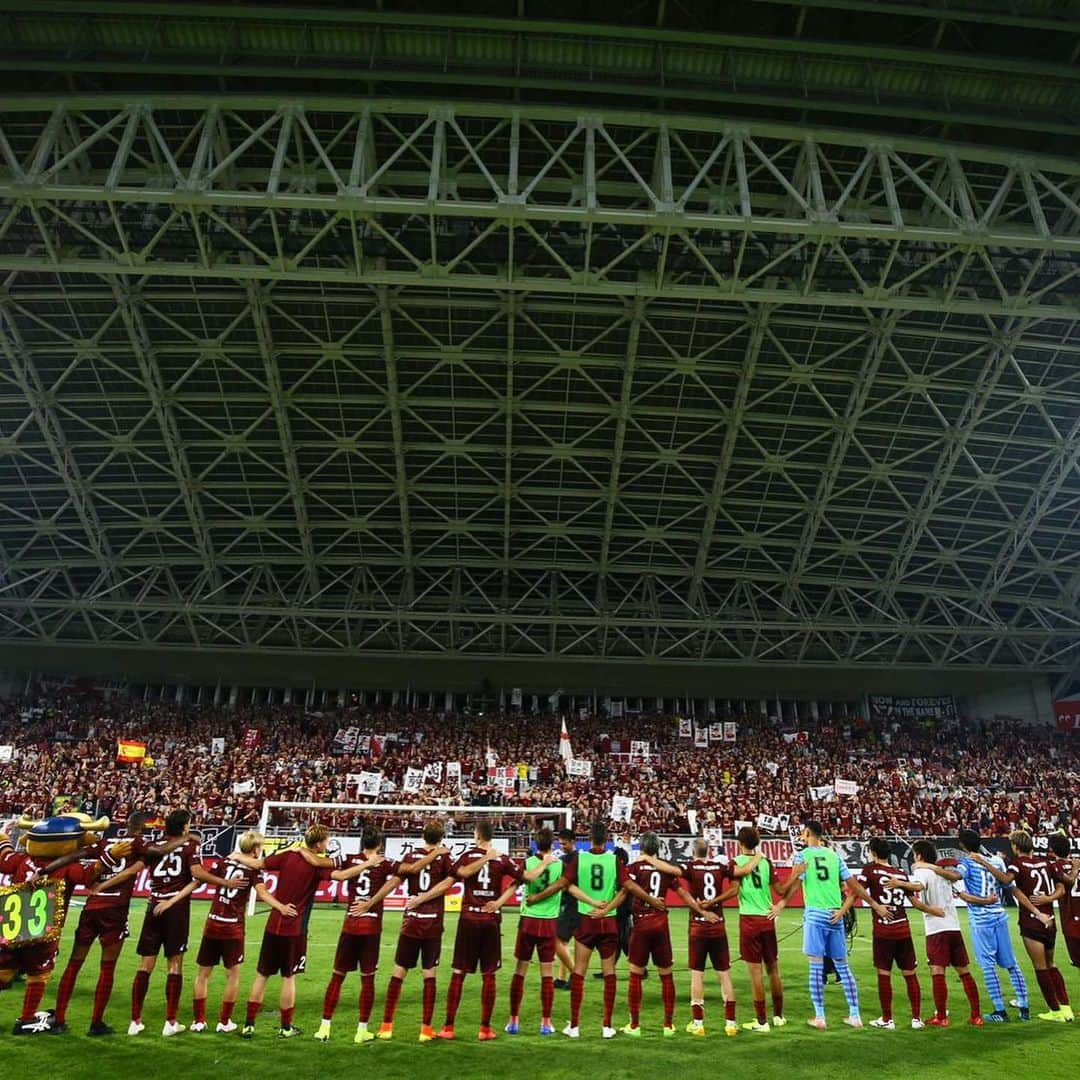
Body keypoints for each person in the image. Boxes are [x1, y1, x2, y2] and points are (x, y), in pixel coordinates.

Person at [129, 809, 237, 1038]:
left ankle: (135, 1020)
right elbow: (198, 873)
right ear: (185, 826)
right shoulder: (190, 846)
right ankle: (170, 1021)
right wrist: (225, 882)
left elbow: (139, 867)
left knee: (145, 964)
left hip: (153, 905)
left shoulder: (155, 844)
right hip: (176, 909)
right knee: (175, 964)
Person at [776, 819, 888, 1030]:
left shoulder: (802, 856)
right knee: (843, 967)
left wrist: (781, 903)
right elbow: (853, 885)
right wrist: (873, 903)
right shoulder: (834, 856)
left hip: (815, 915)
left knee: (816, 966)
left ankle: (820, 1016)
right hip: (835, 915)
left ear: (808, 833)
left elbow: (795, 885)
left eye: (803, 833)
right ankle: (855, 1015)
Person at [0, 822, 106, 1034]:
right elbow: (90, 873)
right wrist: (106, 850)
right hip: (42, 932)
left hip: (11, 929)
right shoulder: (67, 867)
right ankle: (27, 1019)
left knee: (4, 970)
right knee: (39, 974)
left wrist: (3, 836)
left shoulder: (22, 860)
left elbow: (4, 857)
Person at [439, 820, 538, 1041]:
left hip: (469, 918)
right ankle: (485, 1029)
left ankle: (448, 1027)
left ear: (477, 835)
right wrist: (546, 862)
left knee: (459, 972)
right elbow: (525, 878)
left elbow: (461, 874)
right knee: (489, 974)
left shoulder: (467, 855)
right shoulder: (502, 858)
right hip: (490, 920)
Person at [51, 811, 148, 1036]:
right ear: (143, 827)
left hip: (91, 907)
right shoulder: (140, 844)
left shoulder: (104, 843)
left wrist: (44, 870)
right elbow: (156, 853)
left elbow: (74, 855)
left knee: (74, 963)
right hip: (114, 910)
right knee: (107, 966)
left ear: (127, 824)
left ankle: (59, 1019)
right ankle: (96, 1023)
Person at [315, 825, 409, 1043]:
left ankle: (324, 1027)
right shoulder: (384, 863)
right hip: (371, 926)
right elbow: (406, 871)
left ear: (362, 842)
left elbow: (334, 874)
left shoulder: (350, 859)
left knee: (337, 976)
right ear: (379, 844)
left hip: (350, 923)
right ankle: (361, 1030)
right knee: (367, 979)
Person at [242, 823, 336, 1039]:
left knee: (262, 975)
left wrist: (237, 857)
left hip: (273, 923)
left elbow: (258, 863)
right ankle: (285, 1028)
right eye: (327, 840)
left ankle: (248, 1025)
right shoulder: (318, 865)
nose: (328, 843)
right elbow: (338, 876)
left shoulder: (287, 856)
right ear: (320, 843)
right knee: (289, 977)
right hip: (295, 927)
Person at [965, 830, 1065, 1021]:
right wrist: (1049, 898)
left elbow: (1006, 880)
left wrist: (983, 862)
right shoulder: (1045, 862)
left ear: (1015, 846)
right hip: (1050, 919)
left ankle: (1054, 1010)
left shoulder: (1017, 864)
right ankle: (1063, 1007)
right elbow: (1062, 885)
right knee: (1050, 964)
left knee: (1040, 967)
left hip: (1033, 920)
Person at [935, 829, 1032, 1022]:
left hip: (981, 920)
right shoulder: (997, 861)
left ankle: (1000, 1010)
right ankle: (1024, 1006)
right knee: (1012, 963)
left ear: (962, 844)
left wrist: (931, 868)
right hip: (999, 916)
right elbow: (1006, 885)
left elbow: (955, 876)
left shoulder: (967, 862)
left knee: (988, 966)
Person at [886, 839, 983, 1027]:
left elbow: (918, 886)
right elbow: (962, 894)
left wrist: (899, 883)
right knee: (964, 972)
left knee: (937, 971)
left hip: (937, 929)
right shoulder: (944, 872)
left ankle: (941, 1016)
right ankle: (976, 1015)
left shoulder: (922, 871)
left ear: (919, 856)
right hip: (954, 926)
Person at [378, 819, 455, 1042]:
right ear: (441, 838)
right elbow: (448, 883)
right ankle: (425, 1030)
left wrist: (373, 900)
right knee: (429, 973)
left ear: (423, 835)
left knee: (399, 970)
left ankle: (386, 1026)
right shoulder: (444, 857)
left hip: (411, 921)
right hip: (432, 922)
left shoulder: (411, 856)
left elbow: (394, 881)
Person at [190, 830, 273, 1034]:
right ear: (255, 849)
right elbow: (262, 892)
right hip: (232, 926)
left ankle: (199, 1021)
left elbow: (204, 878)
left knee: (203, 975)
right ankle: (224, 1021)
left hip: (213, 922)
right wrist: (280, 907)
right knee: (233, 975)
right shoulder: (253, 870)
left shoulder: (224, 862)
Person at [604, 831, 681, 1037]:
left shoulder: (636, 867)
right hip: (661, 924)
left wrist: (606, 909)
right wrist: (700, 910)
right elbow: (682, 890)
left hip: (642, 924)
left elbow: (624, 892)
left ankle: (635, 1025)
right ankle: (668, 1025)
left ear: (642, 847)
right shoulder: (665, 868)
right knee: (666, 975)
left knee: (636, 975)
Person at [852, 837, 924, 1030]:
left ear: (873, 852)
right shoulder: (901, 874)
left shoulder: (869, 870)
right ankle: (916, 1019)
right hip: (903, 928)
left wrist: (844, 910)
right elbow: (915, 902)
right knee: (910, 973)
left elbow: (856, 890)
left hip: (884, 929)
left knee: (884, 973)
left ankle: (887, 1019)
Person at [562, 820, 621, 1039]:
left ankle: (575, 1026)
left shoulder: (580, 858)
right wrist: (606, 908)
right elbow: (625, 889)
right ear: (606, 839)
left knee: (579, 970)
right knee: (609, 972)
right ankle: (607, 1026)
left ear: (589, 839)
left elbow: (567, 884)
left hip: (586, 919)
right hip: (608, 920)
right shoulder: (614, 860)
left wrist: (591, 902)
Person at [506, 826, 564, 1035]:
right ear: (553, 844)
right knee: (547, 973)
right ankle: (545, 1023)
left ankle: (513, 1020)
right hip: (548, 922)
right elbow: (565, 887)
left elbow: (516, 884)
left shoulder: (528, 863)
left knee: (520, 970)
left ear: (535, 844)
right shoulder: (559, 865)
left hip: (528, 921)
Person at [733, 826, 784, 1033]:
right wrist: (795, 878)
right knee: (773, 968)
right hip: (767, 918)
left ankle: (761, 1021)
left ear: (740, 843)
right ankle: (779, 1016)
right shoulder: (765, 862)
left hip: (749, 920)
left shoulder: (736, 862)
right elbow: (780, 890)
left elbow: (735, 888)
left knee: (755, 972)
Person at [553, 828, 579, 990]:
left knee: (557, 940)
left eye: (565, 843)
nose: (562, 846)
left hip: (573, 905)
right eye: (560, 843)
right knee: (562, 941)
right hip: (567, 904)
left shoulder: (577, 859)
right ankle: (562, 978)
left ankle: (575, 974)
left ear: (572, 842)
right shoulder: (564, 858)